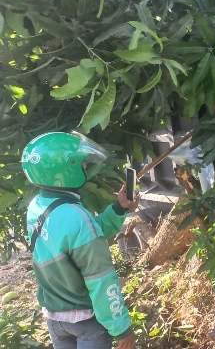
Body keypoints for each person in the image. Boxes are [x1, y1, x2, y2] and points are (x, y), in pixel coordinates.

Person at [22, 132, 138, 349]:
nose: (85, 168)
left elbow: (82, 234)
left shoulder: (37, 206)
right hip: (85, 321)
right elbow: (101, 280)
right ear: (67, 169)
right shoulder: (76, 216)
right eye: (83, 164)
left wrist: (119, 208)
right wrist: (120, 327)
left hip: (55, 319)